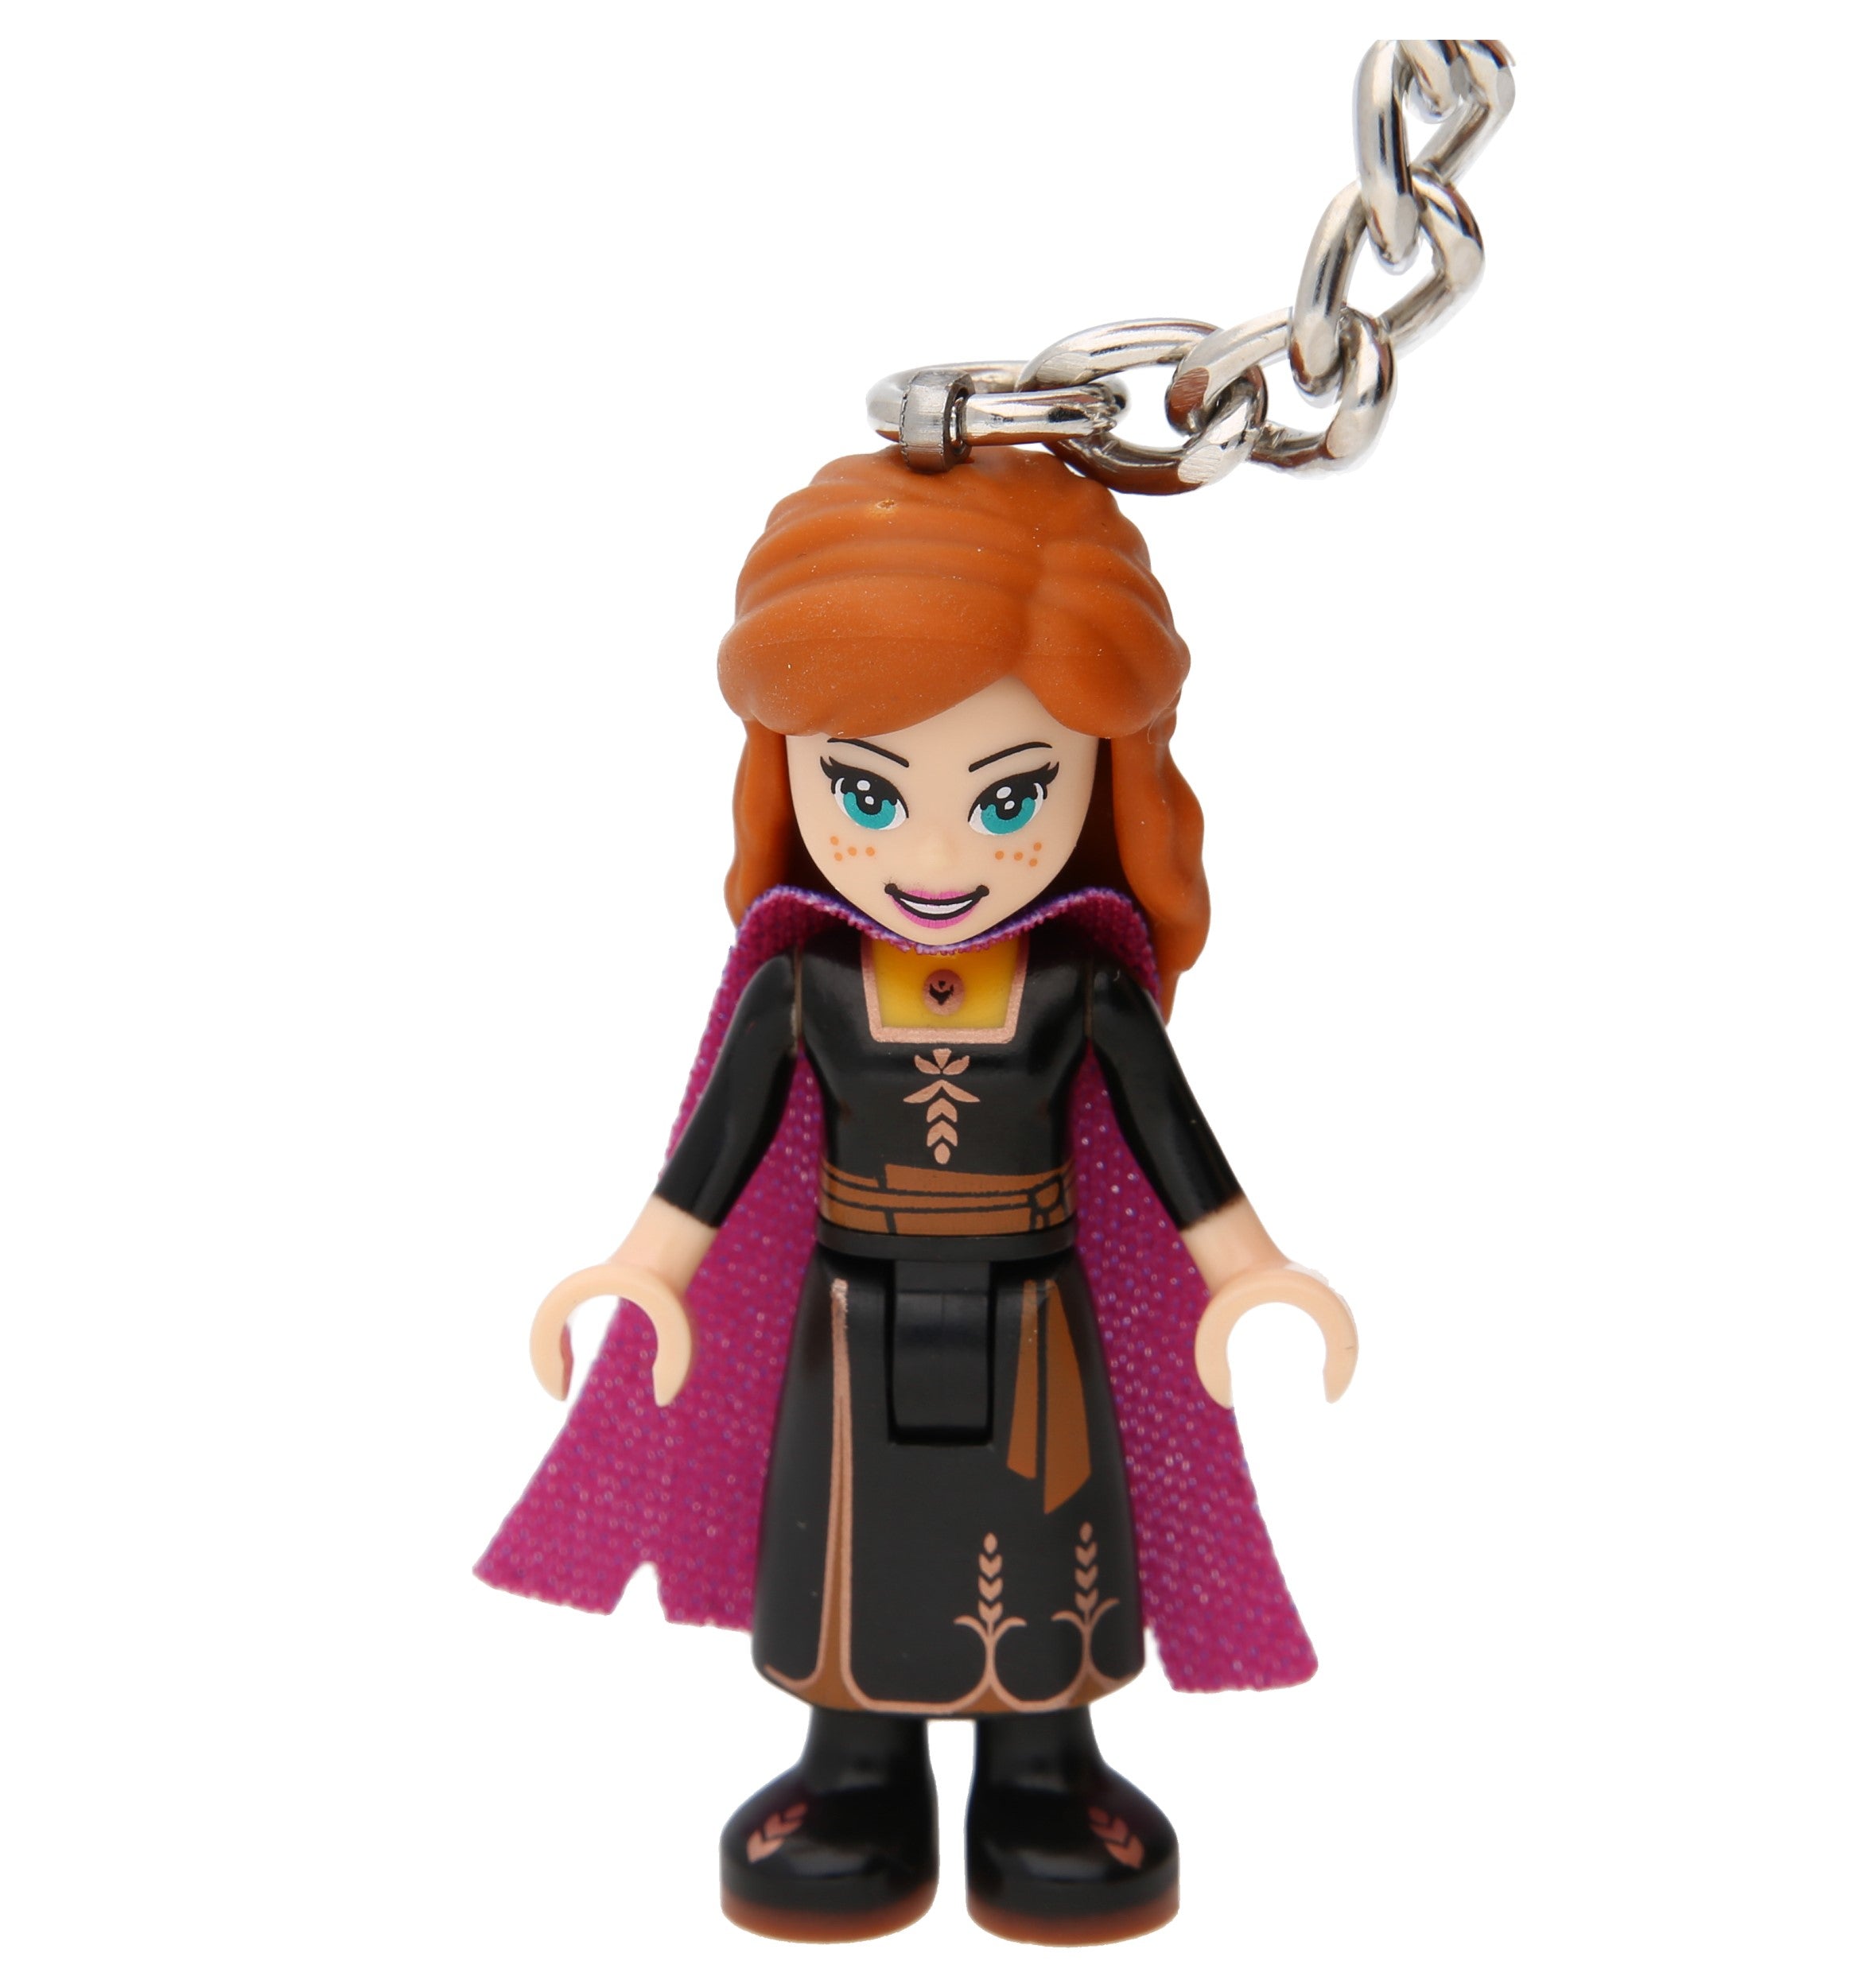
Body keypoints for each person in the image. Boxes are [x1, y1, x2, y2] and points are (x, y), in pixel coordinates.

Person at [477, 445, 1356, 1945]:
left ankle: (1043, 1774)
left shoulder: (1077, 984)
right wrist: (642, 1268)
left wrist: (1252, 1271)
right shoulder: (806, 984)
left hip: (1033, 1318)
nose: (935, 856)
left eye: (1010, 797)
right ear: (788, 766)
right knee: (852, 1539)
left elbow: (1177, 1146)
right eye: (865, 793)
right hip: (852, 1316)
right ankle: (858, 1771)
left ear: (1100, 778)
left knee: (1044, 1535)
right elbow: (714, 1154)